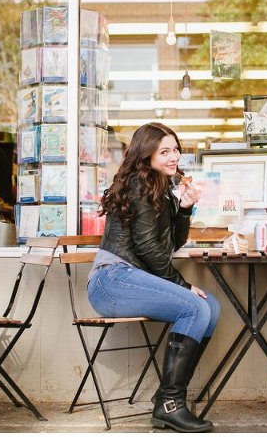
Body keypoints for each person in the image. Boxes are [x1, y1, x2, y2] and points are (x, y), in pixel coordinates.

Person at [88, 122, 220, 433]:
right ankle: (170, 405)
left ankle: (169, 399)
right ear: (146, 155)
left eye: (176, 149)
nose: (174, 156)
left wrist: (185, 208)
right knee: (195, 306)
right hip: (112, 281)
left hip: (129, 277)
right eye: (165, 151)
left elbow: (170, 245)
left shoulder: (160, 188)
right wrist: (182, 285)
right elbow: (147, 247)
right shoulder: (139, 184)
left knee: (210, 306)